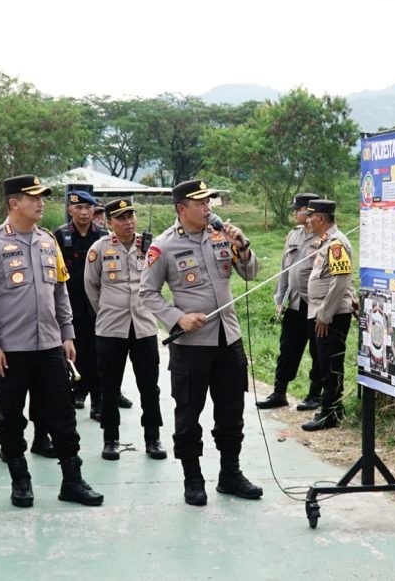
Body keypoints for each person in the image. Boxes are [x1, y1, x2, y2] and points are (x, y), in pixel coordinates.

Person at [0, 174, 103, 508]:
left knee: (61, 415)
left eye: (43, 197)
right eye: (34, 197)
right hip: (11, 350)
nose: (41, 202)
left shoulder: (48, 240)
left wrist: (67, 333)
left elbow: (60, 291)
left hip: (49, 346)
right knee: (11, 417)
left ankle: (72, 480)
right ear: (14, 203)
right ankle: (21, 481)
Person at [139, 179, 263, 506]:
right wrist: (176, 317)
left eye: (209, 201)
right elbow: (147, 293)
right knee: (189, 413)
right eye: (200, 203)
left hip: (228, 338)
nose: (208, 207)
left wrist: (244, 246)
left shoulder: (222, 236)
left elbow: (250, 273)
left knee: (231, 411)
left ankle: (230, 474)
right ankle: (192, 478)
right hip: (192, 345)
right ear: (182, 209)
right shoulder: (164, 246)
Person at [84, 198, 166, 461]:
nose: (128, 222)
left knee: (149, 386)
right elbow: (91, 286)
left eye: (131, 216)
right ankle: (111, 439)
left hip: (143, 326)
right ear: (109, 222)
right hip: (111, 328)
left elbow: (158, 281)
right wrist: (109, 310)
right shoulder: (99, 249)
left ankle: (152, 438)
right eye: (121, 218)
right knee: (109, 386)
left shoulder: (150, 246)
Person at [256, 193, 323, 411]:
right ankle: (279, 392)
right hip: (294, 302)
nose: (295, 213)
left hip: (314, 304)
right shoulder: (293, 235)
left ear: (310, 212)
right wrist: (280, 298)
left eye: (299, 209)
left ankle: (315, 394)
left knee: (317, 351)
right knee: (287, 348)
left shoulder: (324, 237)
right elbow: (285, 269)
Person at [301, 199, 355, 431]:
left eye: (310, 216)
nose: (307, 220)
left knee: (330, 363)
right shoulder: (325, 241)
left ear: (321, 218)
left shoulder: (336, 244)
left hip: (332, 315)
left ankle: (329, 413)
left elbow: (340, 281)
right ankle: (335, 408)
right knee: (326, 361)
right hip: (325, 312)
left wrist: (325, 314)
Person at [54, 189, 106, 418]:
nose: (84, 212)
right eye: (78, 208)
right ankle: (76, 392)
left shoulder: (103, 236)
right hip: (70, 305)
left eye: (88, 208)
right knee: (73, 351)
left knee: (97, 353)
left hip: (97, 305)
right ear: (70, 210)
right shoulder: (59, 235)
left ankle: (98, 401)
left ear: (94, 210)